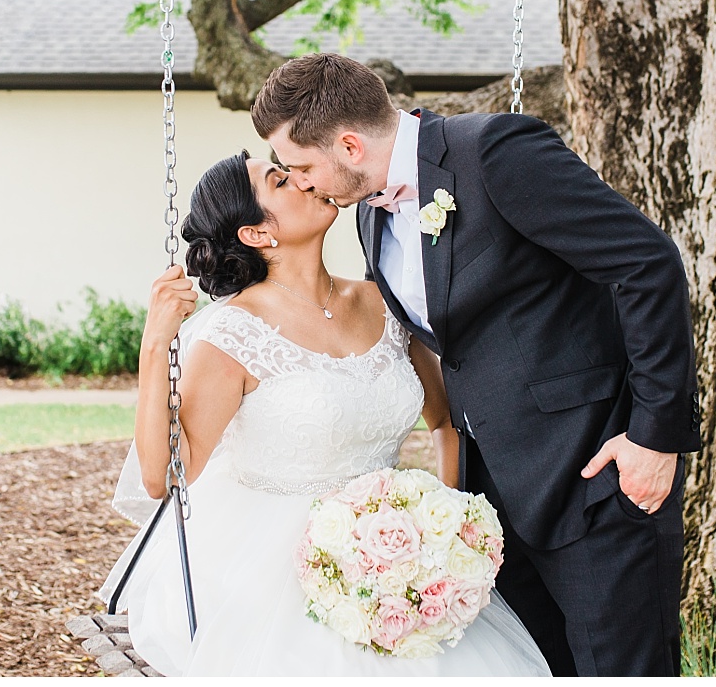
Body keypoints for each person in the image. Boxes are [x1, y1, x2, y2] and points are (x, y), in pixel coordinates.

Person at [250, 53, 702, 677]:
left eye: (301, 166)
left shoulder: (494, 153)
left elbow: (646, 266)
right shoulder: (367, 217)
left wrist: (656, 435)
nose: (300, 182)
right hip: (494, 510)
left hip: (595, 484)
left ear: (349, 144)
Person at [98, 151, 550, 676]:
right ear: (256, 234)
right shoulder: (234, 333)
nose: (304, 180)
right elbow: (164, 476)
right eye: (279, 180)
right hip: (267, 564)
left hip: (399, 547)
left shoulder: (383, 302)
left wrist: (443, 535)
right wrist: (155, 346)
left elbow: (446, 423)